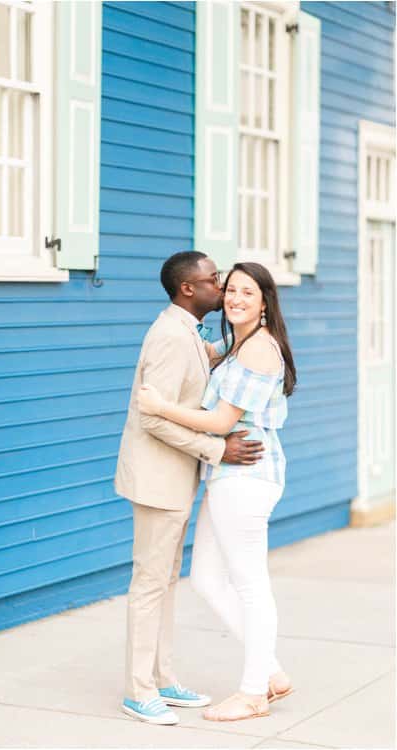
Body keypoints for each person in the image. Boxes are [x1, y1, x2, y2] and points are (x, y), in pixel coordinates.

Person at [138, 261, 296, 722]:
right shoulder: (236, 344)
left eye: (248, 292)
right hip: (226, 478)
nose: (235, 299)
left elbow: (221, 423)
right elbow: (196, 351)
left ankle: (253, 693)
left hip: (247, 475)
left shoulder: (259, 350)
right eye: (229, 290)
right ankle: (272, 671)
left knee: (249, 584)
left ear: (265, 300)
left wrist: (160, 406)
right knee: (207, 579)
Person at [114, 250, 265, 725]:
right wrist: (218, 450)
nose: (221, 287)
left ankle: (163, 678)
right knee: (149, 585)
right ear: (188, 289)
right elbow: (151, 418)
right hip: (158, 479)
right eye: (214, 280)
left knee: (164, 583)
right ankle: (139, 690)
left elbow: (207, 362)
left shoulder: (188, 333)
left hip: (175, 479)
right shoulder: (170, 338)